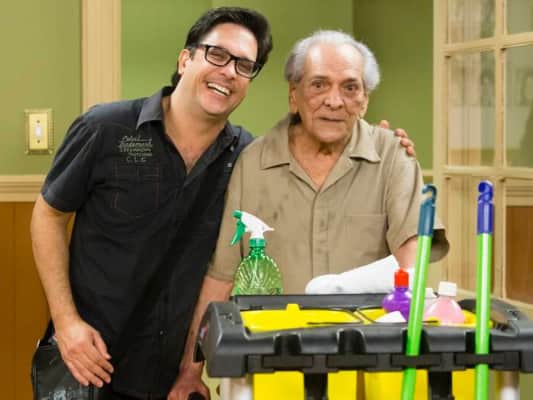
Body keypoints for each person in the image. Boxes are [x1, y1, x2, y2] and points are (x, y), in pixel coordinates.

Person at [31, 7, 414, 399]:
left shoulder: (246, 157)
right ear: (185, 59)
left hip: (169, 378)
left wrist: (377, 143)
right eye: (217, 55)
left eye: (244, 65)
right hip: (88, 358)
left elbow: (222, 271)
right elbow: (48, 215)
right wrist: (66, 323)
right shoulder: (107, 128)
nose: (229, 72)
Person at [173, 30, 448, 399]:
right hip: (272, 369)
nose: (334, 100)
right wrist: (191, 371)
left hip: (367, 374)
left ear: (365, 100)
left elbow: (409, 270)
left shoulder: (393, 157)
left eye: (350, 87)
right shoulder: (253, 163)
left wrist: (337, 290)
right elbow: (221, 275)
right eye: (319, 85)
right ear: (294, 95)